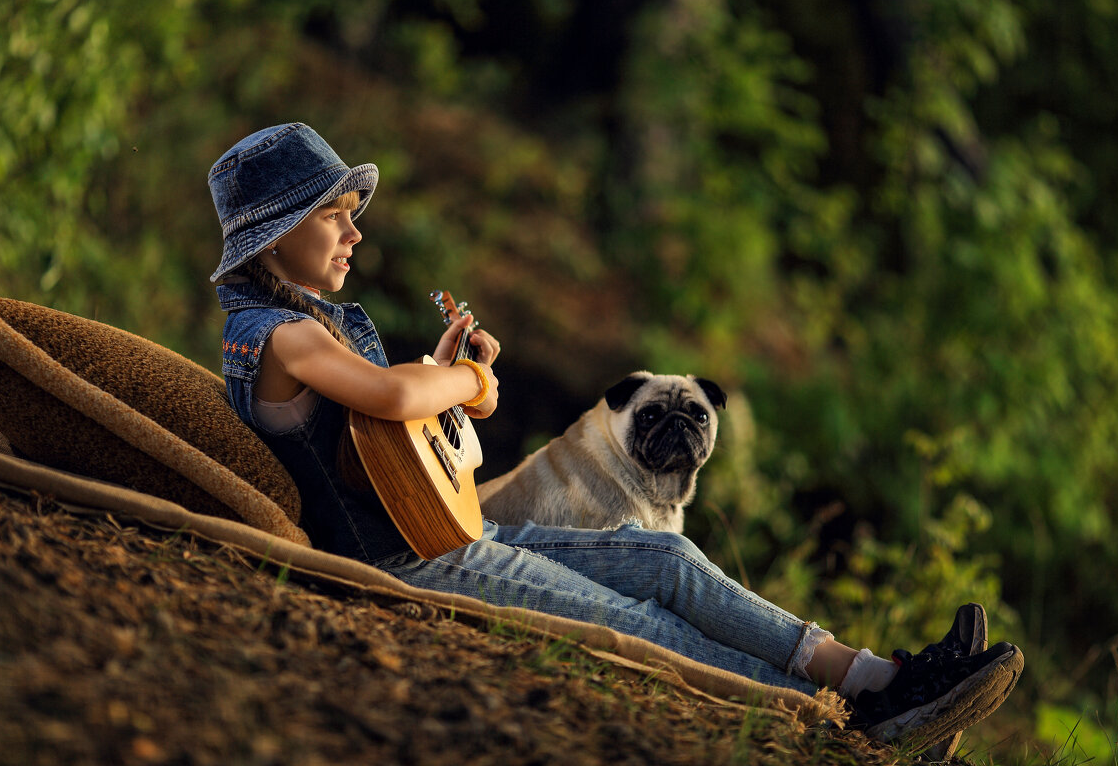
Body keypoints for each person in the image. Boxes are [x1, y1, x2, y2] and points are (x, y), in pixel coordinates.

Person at [208, 122, 1022, 753]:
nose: (355, 235)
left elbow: (446, 452)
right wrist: (475, 384)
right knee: (641, 623)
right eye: (336, 217)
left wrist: (446, 382)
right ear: (276, 234)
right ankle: (848, 721)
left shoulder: (322, 326)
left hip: (450, 527)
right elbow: (390, 395)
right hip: (413, 558)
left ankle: (879, 676)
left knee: (663, 559)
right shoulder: (278, 336)